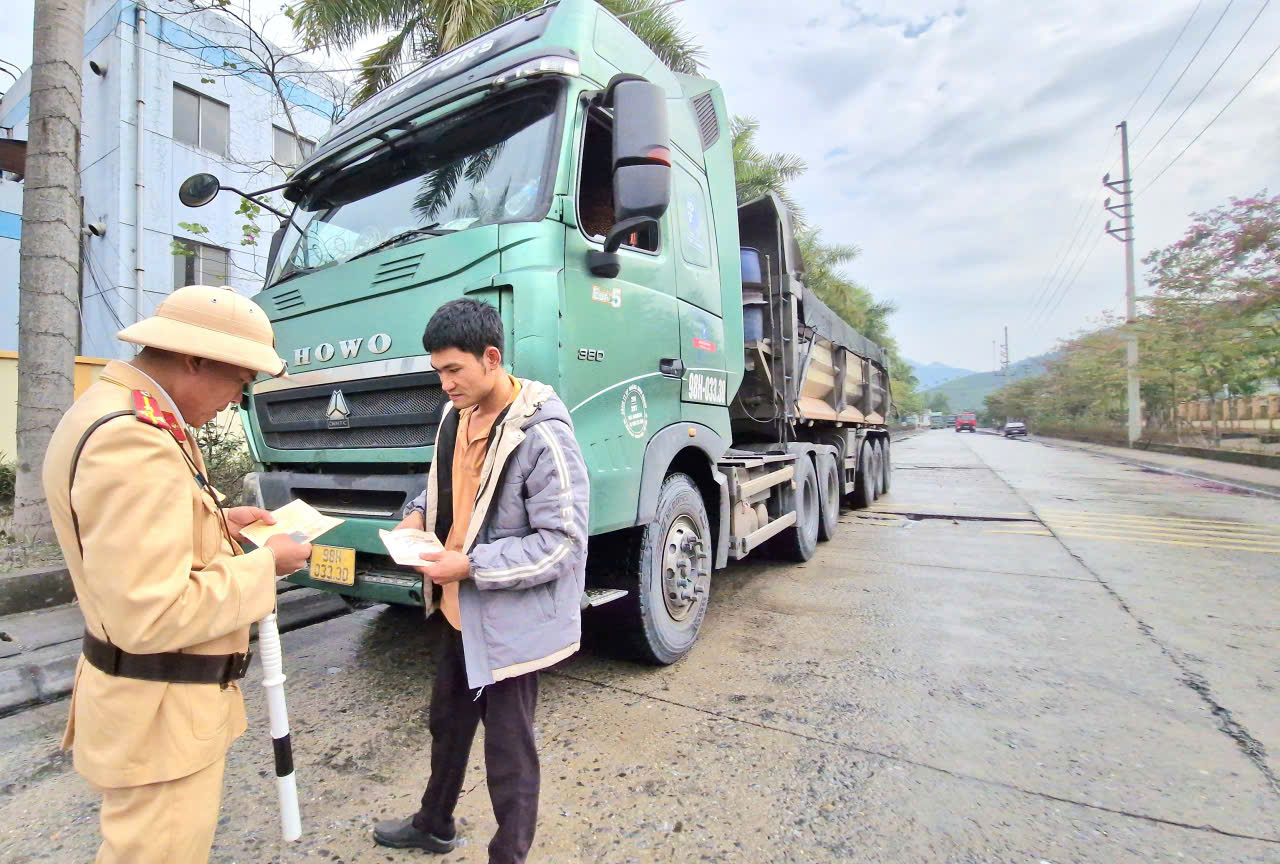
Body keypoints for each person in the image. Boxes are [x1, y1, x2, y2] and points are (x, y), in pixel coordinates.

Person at [41, 284, 313, 863]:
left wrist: (220, 520)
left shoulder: (117, 411)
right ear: (195, 359)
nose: (235, 404)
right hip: (159, 711)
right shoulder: (133, 440)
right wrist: (268, 565)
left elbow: (153, 536)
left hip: (152, 706)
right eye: (239, 384)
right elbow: (153, 613)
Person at [373, 298, 589, 864]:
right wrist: (418, 515)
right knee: (446, 724)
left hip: (507, 620)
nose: (445, 384)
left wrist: (469, 565)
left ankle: (509, 856)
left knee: (509, 754)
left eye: (454, 370)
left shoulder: (543, 435)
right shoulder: (456, 417)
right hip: (455, 608)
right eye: (437, 371)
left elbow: (562, 545)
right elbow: (445, 488)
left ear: (491, 358)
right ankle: (433, 824)